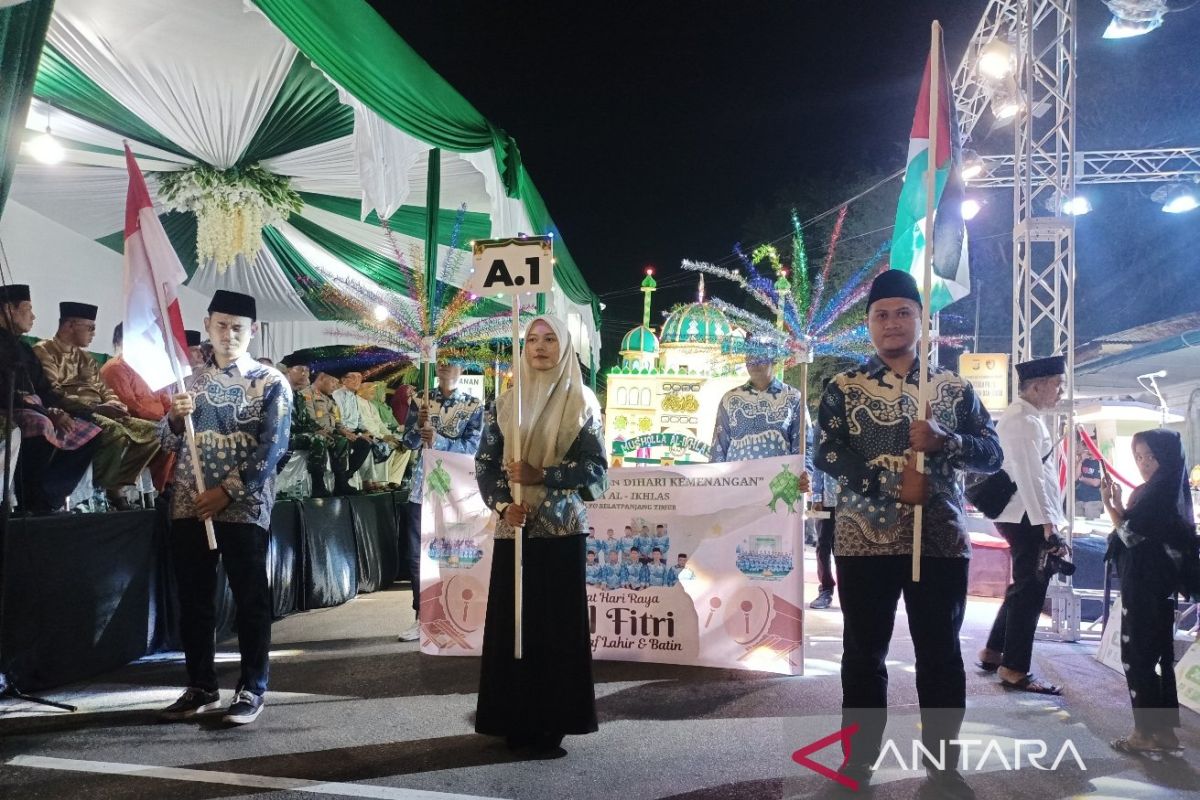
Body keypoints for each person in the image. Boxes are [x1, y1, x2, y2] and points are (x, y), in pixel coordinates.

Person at [816, 270, 1002, 798]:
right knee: (862, 654)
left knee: (940, 654)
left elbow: (993, 454)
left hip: (939, 542)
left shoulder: (952, 388)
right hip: (860, 543)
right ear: (868, 324)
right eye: (881, 314)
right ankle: (858, 763)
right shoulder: (842, 387)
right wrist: (894, 484)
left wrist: (946, 439)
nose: (892, 323)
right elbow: (826, 453)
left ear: (922, 320)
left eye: (903, 312)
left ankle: (943, 767)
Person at [474, 315, 607, 758]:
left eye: (550, 339)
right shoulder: (505, 403)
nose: (540, 347)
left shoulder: (582, 402)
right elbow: (486, 464)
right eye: (533, 339)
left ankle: (553, 723)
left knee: (554, 630)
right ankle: (513, 718)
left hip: (561, 533)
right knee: (514, 627)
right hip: (514, 530)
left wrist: (541, 474)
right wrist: (501, 504)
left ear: (564, 347)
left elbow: (596, 472)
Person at [159, 290, 292, 726]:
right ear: (208, 323)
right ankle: (201, 685)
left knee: (251, 599)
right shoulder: (187, 379)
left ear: (252, 331)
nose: (229, 334)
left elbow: (273, 449)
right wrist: (176, 419)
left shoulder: (270, 382)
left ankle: (252, 687)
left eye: (238, 327)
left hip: (244, 506)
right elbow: (166, 442)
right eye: (221, 325)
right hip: (189, 502)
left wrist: (228, 491)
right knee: (194, 599)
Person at [1102, 429, 1200, 756]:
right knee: (1160, 657)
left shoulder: (1156, 495)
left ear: (1166, 457)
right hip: (1160, 588)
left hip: (1144, 585)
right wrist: (1119, 503)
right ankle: (1166, 734)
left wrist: (1108, 506)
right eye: (1139, 456)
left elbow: (1129, 535)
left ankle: (1143, 733)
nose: (1144, 463)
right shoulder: (1168, 490)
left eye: (1151, 457)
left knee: (1138, 658)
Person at [978, 355, 1068, 695]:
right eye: (1057, 385)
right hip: (1027, 516)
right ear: (1038, 384)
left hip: (1025, 515)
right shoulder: (1022, 420)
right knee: (1030, 592)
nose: (1060, 392)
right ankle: (1015, 668)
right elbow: (1032, 478)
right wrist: (1048, 525)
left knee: (1022, 588)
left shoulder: (1026, 417)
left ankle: (993, 652)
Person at [34, 302, 161, 510]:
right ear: (71, 325)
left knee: (156, 433)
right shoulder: (44, 351)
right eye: (90, 327)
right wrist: (96, 409)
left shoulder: (87, 359)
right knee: (114, 432)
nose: (94, 333)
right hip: (71, 413)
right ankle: (98, 491)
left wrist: (114, 403)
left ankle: (116, 484)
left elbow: (105, 390)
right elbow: (52, 393)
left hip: (100, 411)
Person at [399, 357, 483, 642]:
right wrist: (416, 427)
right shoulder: (422, 400)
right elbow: (407, 442)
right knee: (415, 555)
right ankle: (421, 614)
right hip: (420, 488)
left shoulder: (473, 406)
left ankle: (454, 612)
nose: (446, 366)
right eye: (442, 362)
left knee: (450, 552)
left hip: (453, 493)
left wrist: (440, 441)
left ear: (462, 368)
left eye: (452, 362)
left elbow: (473, 448)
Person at [0, 285, 101, 513]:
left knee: (90, 427)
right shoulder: (38, 349)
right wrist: (48, 413)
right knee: (40, 423)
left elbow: (44, 389)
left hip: (38, 408)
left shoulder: (23, 349)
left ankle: (50, 495)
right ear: (8, 309)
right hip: (12, 408)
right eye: (27, 309)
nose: (33, 316)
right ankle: (27, 496)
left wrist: (57, 409)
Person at [100, 323, 175, 491]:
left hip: (160, 422)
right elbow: (130, 406)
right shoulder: (115, 367)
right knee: (166, 437)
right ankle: (160, 489)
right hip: (134, 423)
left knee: (187, 437)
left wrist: (175, 418)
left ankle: (173, 487)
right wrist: (164, 422)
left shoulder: (149, 369)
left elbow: (166, 400)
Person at [302, 372, 371, 496]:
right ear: (322, 378)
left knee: (363, 443)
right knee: (336, 441)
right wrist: (320, 430)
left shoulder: (330, 398)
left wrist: (345, 431)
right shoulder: (308, 394)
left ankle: (343, 480)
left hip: (333, 433)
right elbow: (309, 418)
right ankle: (319, 485)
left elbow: (337, 419)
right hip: (317, 432)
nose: (335, 385)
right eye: (333, 381)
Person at [1075, 437, 1104, 520]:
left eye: (1093, 445)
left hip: (1093, 500)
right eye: (1088, 445)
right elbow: (1076, 477)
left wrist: (1083, 479)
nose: (1089, 447)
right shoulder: (1084, 461)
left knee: (1091, 524)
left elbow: (1096, 483)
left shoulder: (1099, 462)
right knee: (1078, 525)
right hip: (1080, 499)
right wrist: (1081, 461)